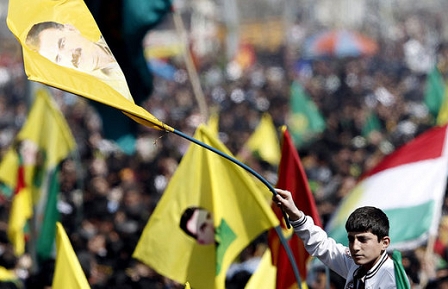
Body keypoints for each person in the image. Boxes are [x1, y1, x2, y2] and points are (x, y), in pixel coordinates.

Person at [274, 188, 396, 289]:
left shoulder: (392, 279)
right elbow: (321, 245)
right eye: (351, 239)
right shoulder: (355, 264)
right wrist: (295, 213)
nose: (355, 247)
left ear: (385, 243)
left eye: (363, 240)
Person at [25, 21, 132, 100]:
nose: (69, 56)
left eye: (62, 44)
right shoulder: (110, 96)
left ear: (71, 29)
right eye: (58, 58)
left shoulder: (119, 28)